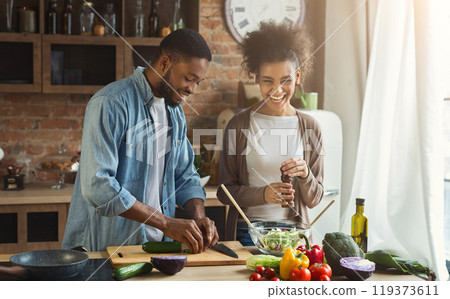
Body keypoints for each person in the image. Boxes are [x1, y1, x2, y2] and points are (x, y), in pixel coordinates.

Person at [62, 28, 219, 253]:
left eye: (198, 82)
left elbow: (186, 176)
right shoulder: (111, 103)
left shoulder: (174, 112)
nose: (192, 90)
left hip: (158, 249)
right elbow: (98, 186)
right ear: (165, 62)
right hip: (108, 250)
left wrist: (200, 217)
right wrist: (166, 223)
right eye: (188, 78)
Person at [217, 21, 324, 245]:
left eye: (285, 80)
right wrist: (263, 194)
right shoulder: (238, 125)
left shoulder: (311, 127)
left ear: (298, 76)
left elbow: (315, 199)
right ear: (256, 77)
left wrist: (305, 175)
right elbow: (224, 192)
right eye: (268, 81)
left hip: (294, 235)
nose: (277, 90)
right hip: (248, 234)